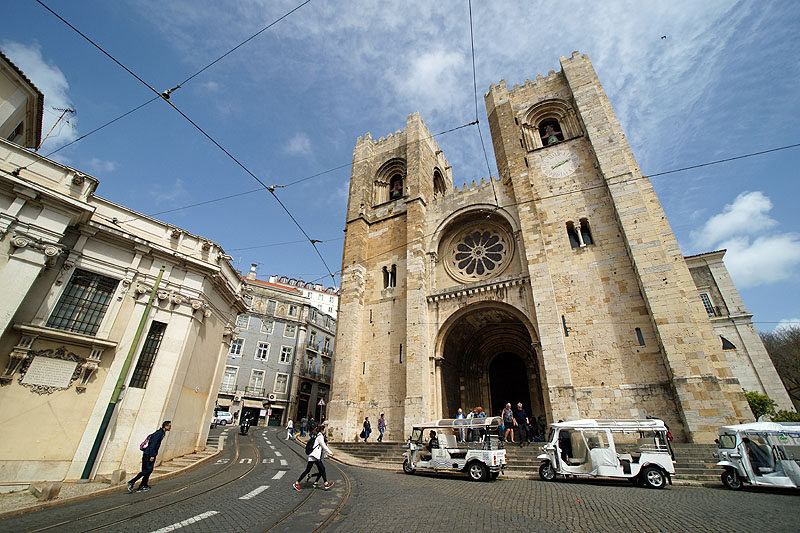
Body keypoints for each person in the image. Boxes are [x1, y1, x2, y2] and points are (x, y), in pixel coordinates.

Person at [128, 421, 171, 493]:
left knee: (149, 470)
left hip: (150, 453)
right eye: (169, 426)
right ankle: (132, 482)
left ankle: (143, 485)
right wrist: (152, 455)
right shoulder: (159, 433)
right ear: (165, 426)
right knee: (147, 470)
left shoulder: (161, 433)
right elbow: (152, 445)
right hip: (148, 454)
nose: (170, 427)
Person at [293, 426, 335, 491]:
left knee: (319, 469)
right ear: (322, 431)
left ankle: (326, 483)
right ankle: (297, 482)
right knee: (317, 469)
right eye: (324, 430)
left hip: (314, 456)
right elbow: (324, 446)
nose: (325, 431)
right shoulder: (320, 437)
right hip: (315, 456)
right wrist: (331, 453)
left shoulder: (318, 436)